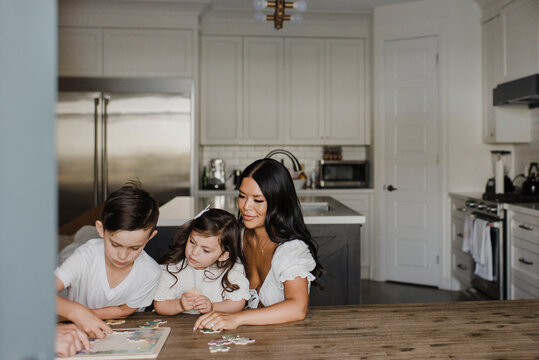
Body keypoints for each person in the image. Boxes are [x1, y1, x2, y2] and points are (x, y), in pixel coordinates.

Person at [194, 158, 322, 331]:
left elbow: (297, 308)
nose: (246, 206)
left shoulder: (291, 249)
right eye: (242, 196)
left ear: (278, 202)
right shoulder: (237, 236)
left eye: (258, 200)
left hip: (284, 343)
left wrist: (236, 319)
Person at [55, 180, 161, 338]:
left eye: (134, 248)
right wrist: (77, 313)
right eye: (115, 244)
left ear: (150, 237)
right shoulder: (87, 255)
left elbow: (124, 310)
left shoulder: (150, 273)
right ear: (100, 229)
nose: (123, 256)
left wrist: (89, 316)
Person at [154, 207, 250, 315]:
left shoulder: (232, 269)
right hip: (181, 328)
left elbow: (237, 304)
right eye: (192, 242)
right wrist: (179, 304)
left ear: (223, 255)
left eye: (205, 250)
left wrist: (212, 307)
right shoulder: (174, 267)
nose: (194, 252)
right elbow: (160, 305)